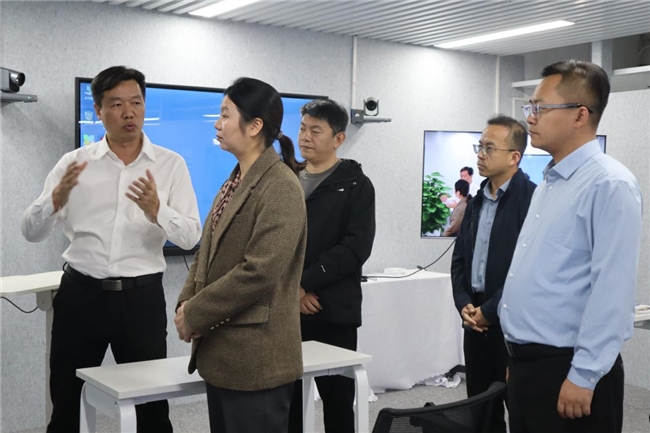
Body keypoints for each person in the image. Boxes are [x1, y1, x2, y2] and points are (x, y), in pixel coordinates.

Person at [21, 66, 201, 433]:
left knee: (151, 406)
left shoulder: (170, 165)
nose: (129, 112)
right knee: (66, 401)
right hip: (80, 296)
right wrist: (54, 200)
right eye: (117, 104)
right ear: (99, 111)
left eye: (136, 102)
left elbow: (190, 237)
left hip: (140, 300)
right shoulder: (74, 164)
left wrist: (158, 211)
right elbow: (31, 231)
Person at [500, 60, 642, 433]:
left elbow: (612, 290)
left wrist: (585, 374)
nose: (530, 118)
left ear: (580, 115)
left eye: (540, 108)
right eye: (529, 107)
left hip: (569, 368)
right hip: (528, 365)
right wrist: (517, 357)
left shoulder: (609, 184)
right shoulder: (551, 181)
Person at [174, 77, 307, 433]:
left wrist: (196, 313)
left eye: (225, 115)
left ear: (254, 126)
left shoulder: (280, 186)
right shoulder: (235, 180)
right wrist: (186, 303)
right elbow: (207, 251)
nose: (217, 124)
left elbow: (259, 272)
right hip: (224, 355)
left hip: (256, 360)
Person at [287, 99, 376, 433]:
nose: (305, 137)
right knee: (288, 404)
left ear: (338, 138)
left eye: (316, 130)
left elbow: (354, 248)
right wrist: (293, 290)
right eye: (302, 128)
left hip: (333, 311)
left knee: (338, 404)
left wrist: (305, 283)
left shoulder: (356, 184)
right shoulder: (286, 178)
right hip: (287, 312)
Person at [450, 115, 536, 432]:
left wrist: (490, 310)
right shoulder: (475, 202)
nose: (480, 155)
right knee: (480, 413)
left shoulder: (533, 200)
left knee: (521, 411)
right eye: (479, 147)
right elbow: (460, 259)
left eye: (489, 148)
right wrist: (464, 304)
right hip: (474, 319)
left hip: (512, 323)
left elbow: (527, 269)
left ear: (514, 157)